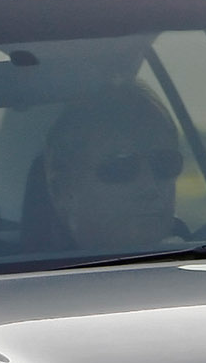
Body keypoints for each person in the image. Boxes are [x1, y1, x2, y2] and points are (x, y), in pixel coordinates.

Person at [36, 82, 186, 253]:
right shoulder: (23, 276)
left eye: (165, 163)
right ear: (63, 190)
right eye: (120, 168)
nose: (150, 187)